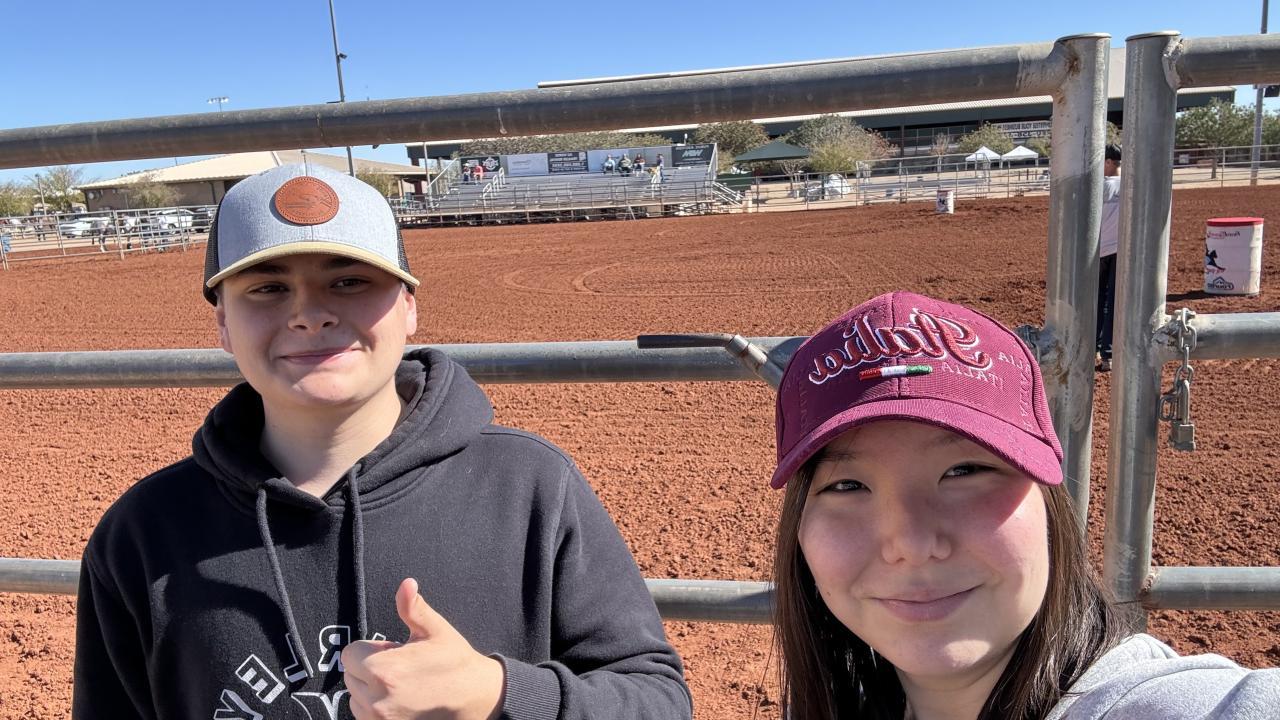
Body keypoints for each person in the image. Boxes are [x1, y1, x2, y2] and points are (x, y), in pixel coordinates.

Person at [73, 163, 692, 720]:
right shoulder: (145, 533)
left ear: (409, 307)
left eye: (349, 281)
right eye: (267, 288)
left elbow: (658, 700)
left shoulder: (529, 486)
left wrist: (500, 694)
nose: (309, 314)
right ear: (223, 324)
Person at [769, 290, 1280, 720]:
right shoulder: (843, 699)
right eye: (847, 485)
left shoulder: (1164, 705)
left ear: (1048, 503)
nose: (912, 543)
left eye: (964, 471)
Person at [1097, 144, 1122, 372]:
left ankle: (1092, 348)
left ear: (1108, 162)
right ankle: (1108, 354)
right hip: (1119, 250)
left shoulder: (1101, 186)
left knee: (1095, 300)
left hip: (1099, 250)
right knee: (1113, 302)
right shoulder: (1130, 185)